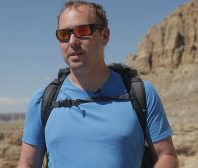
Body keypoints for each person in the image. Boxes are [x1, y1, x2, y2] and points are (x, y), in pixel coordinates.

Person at [17, 1, 179, 168]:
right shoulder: (43, 100)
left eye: (82, 31)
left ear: (104, 35)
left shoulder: (141, 93)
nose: (72, 41)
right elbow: (28, 163)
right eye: (64, 34)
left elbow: (166, 156)